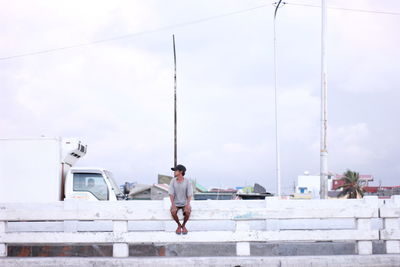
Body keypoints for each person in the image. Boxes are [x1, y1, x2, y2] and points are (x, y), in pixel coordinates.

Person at [169, 164, 193, 235]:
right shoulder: (173, 181)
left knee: (188, 211)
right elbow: (171, 194)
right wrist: (173, 205)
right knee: (173, 211)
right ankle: (179, 225)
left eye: (176, 170)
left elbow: (189, 194)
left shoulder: (187, 181)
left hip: (185, 203)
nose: (174, 172)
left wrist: (187, 205)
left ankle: (184, 225)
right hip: (176, 203)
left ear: (181, 171)